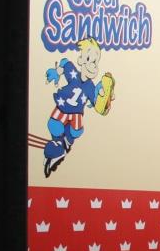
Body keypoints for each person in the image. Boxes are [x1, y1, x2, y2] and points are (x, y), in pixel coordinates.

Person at [42, 37, 114, 177]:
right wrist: (56, 73)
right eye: (89, 60)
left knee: (76, 130)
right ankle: (57, 144)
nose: (93, 65)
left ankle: (66, 142)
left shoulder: (90, 87)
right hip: (63, 107)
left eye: (95, 62)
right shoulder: (73, 73)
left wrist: (105, 98)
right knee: (54, 125)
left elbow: (97, 102)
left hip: (76, 114)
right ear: (81, 61)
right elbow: (64, 67)